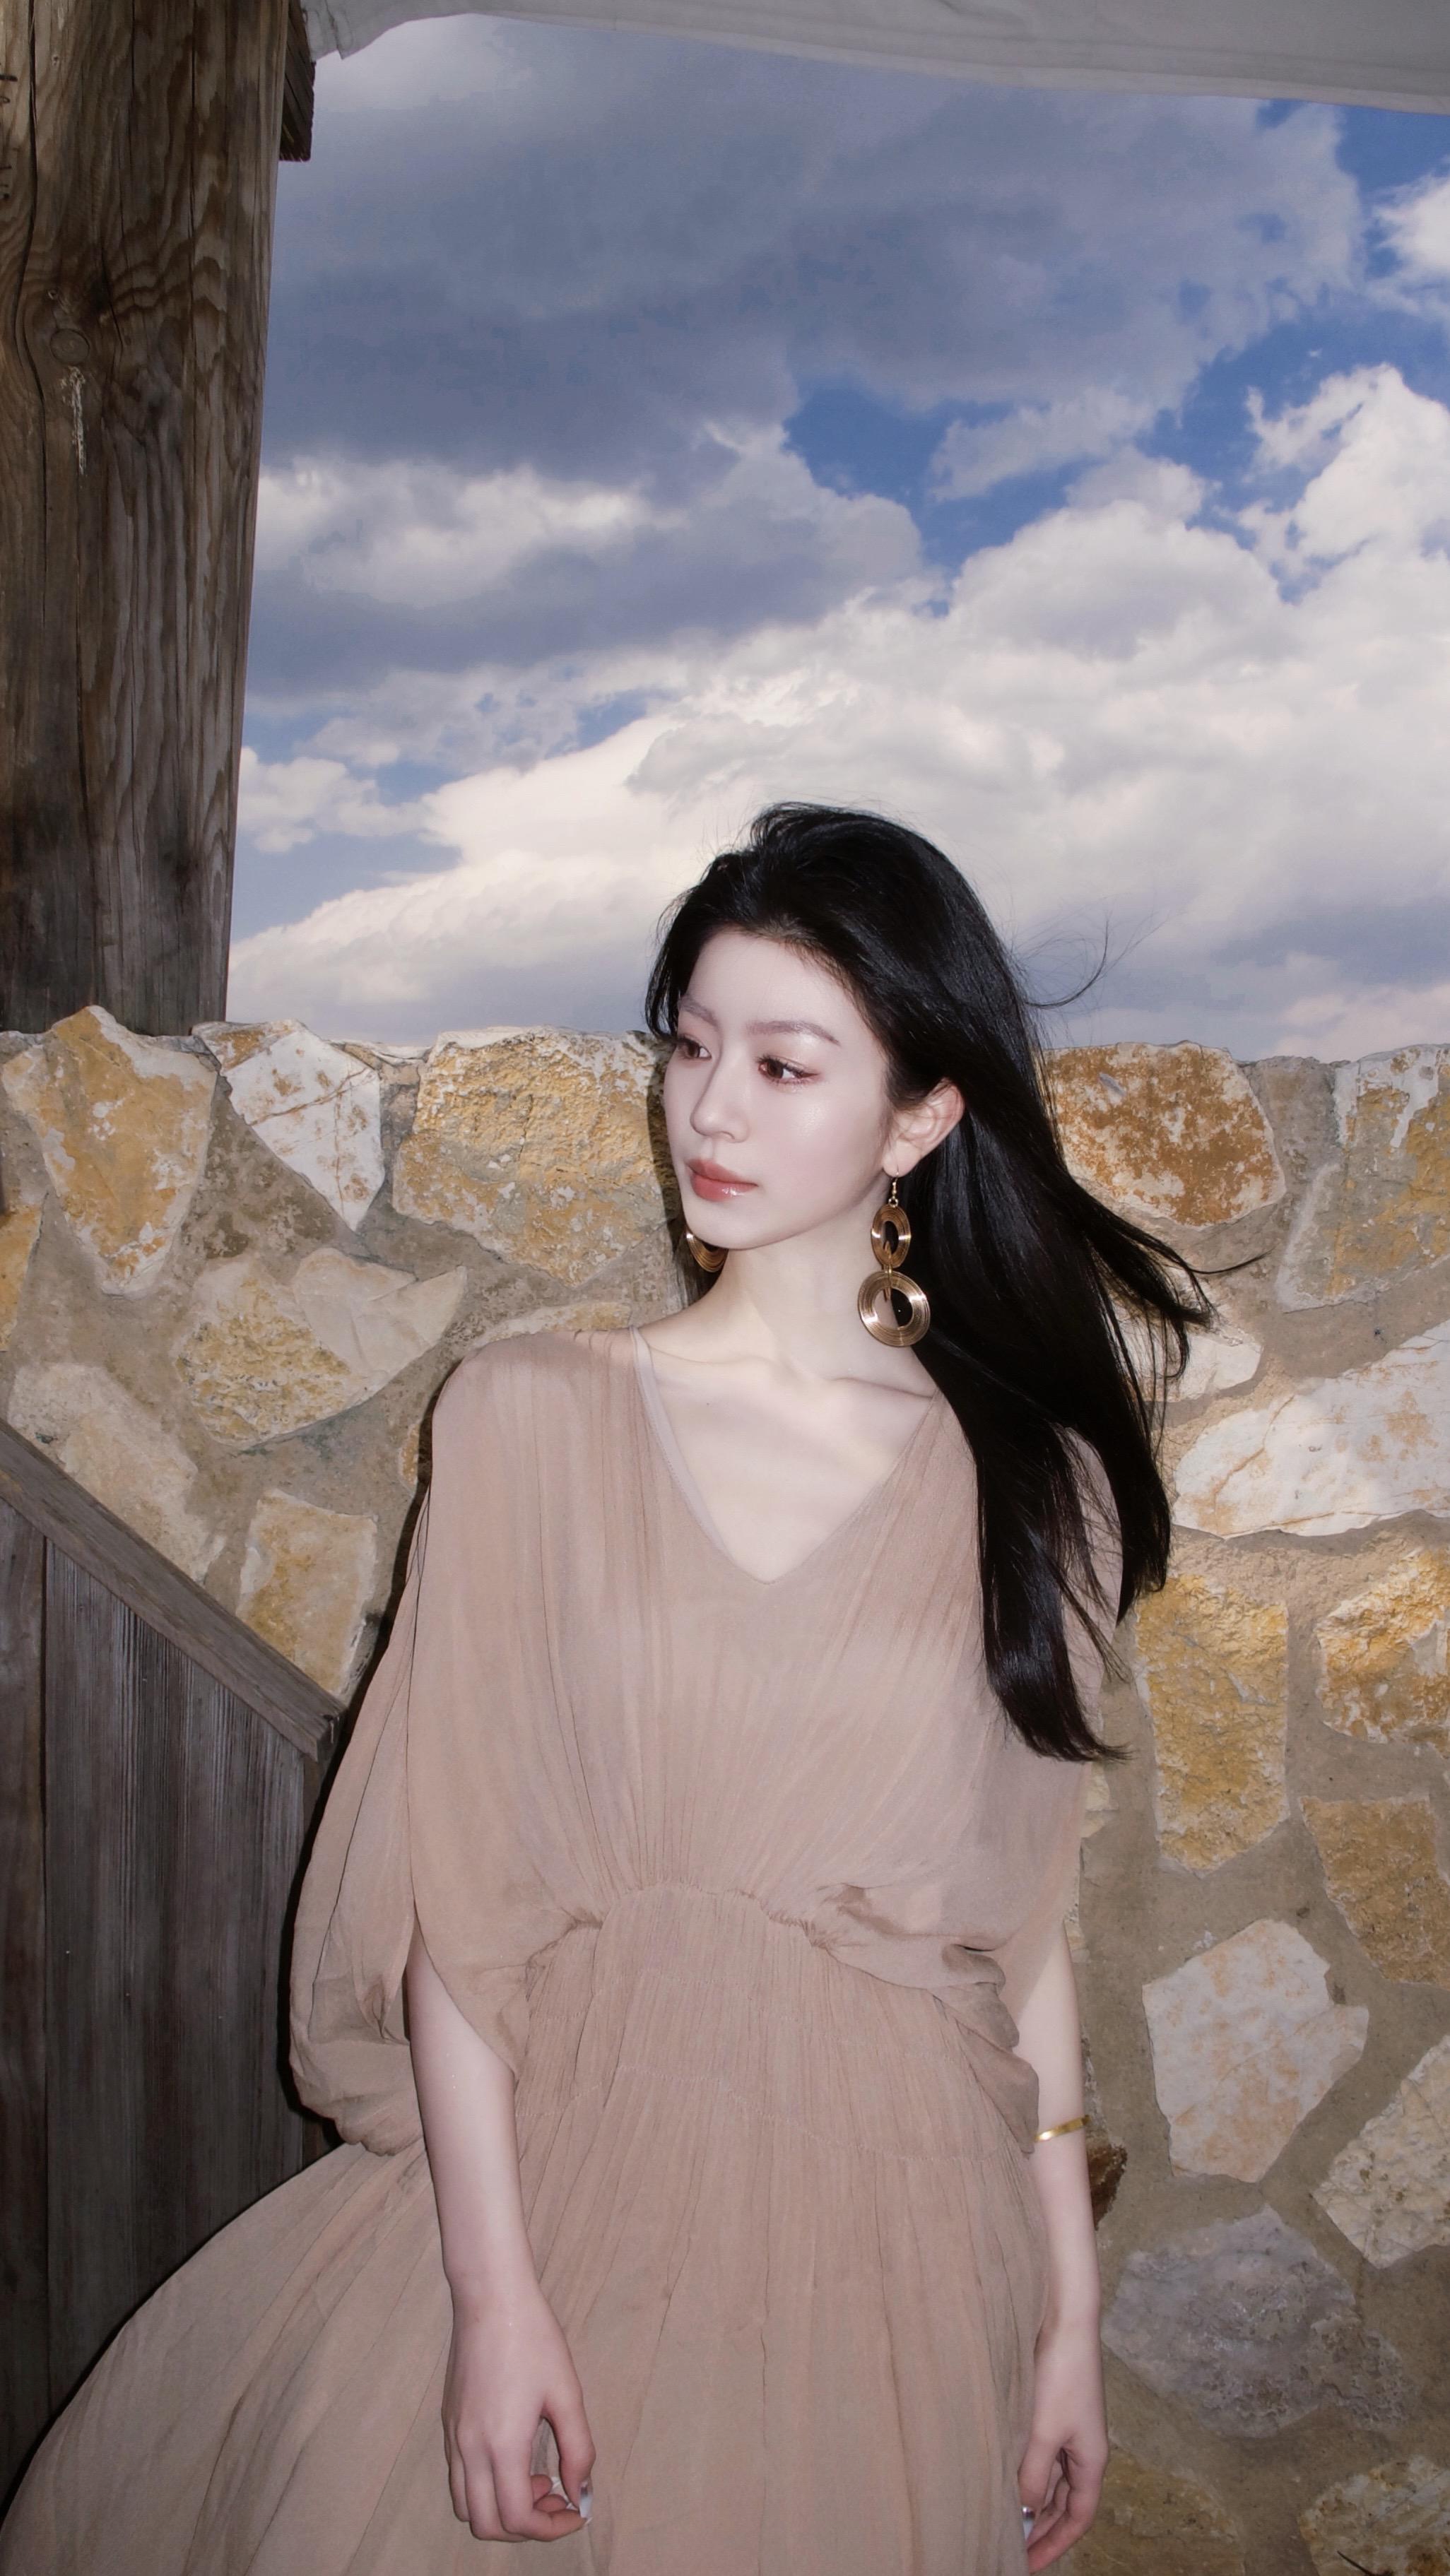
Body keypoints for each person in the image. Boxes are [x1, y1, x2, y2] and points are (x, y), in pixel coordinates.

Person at [0, 803, 1210, 2576]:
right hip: (572, 2190)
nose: (710, 1110)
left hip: (896, 2248)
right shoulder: (531, 1415)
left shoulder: (1043, 1488)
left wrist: (1068, 2320)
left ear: (922, 1113)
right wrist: (493, 2301)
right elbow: (460, 1899)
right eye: (691, 1047)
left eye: (785, 1064)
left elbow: (1016, 1941)